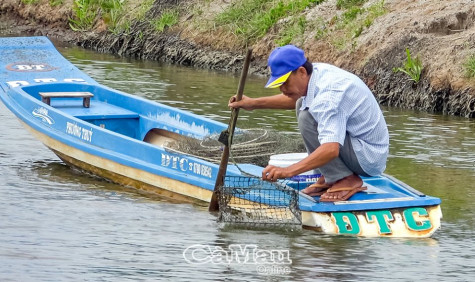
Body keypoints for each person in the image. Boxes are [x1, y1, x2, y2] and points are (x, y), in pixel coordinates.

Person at [228, 45, 389, 202]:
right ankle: (331, 176)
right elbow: (294, 98)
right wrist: (253, 103)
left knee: (306, 116)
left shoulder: (329, 96)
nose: (282, 89)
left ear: (302, 72)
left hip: (368, 157)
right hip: (358, 146)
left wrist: (288, 171)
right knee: (302, 105)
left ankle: (345, 178)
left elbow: (331, 149)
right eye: (278, 84)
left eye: (285, 83)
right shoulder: (316, 73)